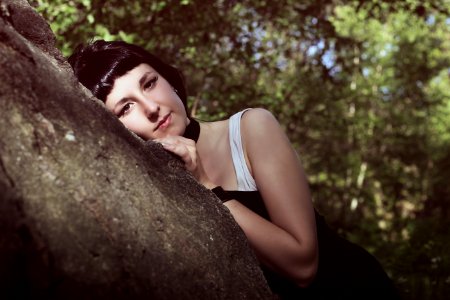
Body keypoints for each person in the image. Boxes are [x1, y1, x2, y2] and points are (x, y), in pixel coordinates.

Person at [68, 40, 399, 299]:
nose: (152, 108)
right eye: (126, 107)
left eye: (149, 83)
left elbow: (303, 265)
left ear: (168, 78)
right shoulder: (142, 187)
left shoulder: (250, 128)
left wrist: (206, 186)